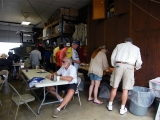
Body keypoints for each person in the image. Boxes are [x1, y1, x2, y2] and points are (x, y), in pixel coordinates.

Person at [107, 38, 142, 115]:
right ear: (131, 42)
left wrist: (115, 65)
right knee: (125, 89)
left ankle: (110, 105)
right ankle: (122, 109)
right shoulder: (136, 48)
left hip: (119, 65)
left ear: (125, 41)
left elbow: (113, 57)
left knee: (114, 87)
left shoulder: (119, 46)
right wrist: (136, 67)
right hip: (130, 66)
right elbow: (139, 61)